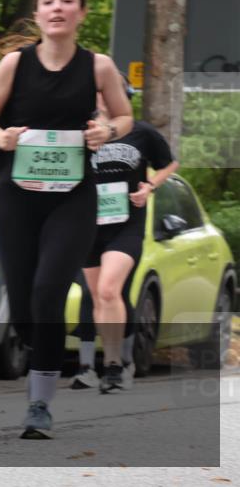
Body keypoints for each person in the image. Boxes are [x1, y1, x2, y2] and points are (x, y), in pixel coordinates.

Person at [0, 0, 133, 439]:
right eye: (49, 1)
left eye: (67, 0)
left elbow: (125, 116)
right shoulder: (15, 64)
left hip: (73, 198)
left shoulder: (99, 67)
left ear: (81, 12)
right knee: (26, 305)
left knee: (49, 291)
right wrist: (1, 137)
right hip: (19, 196)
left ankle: (39, 404)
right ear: (38, 13)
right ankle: (37, 345)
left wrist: (107, 131)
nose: (57, 8)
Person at [70, 80, 178, 392]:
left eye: (113, 93)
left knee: (108, 290)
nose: (105, 98)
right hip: (87, 225)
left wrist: (149, 186)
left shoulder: (141, 132)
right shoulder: (80, 132)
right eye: (101, 92)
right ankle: (104, 365)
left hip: (126, 224)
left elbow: (169, 163)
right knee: (97, 297)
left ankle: (114, 365)